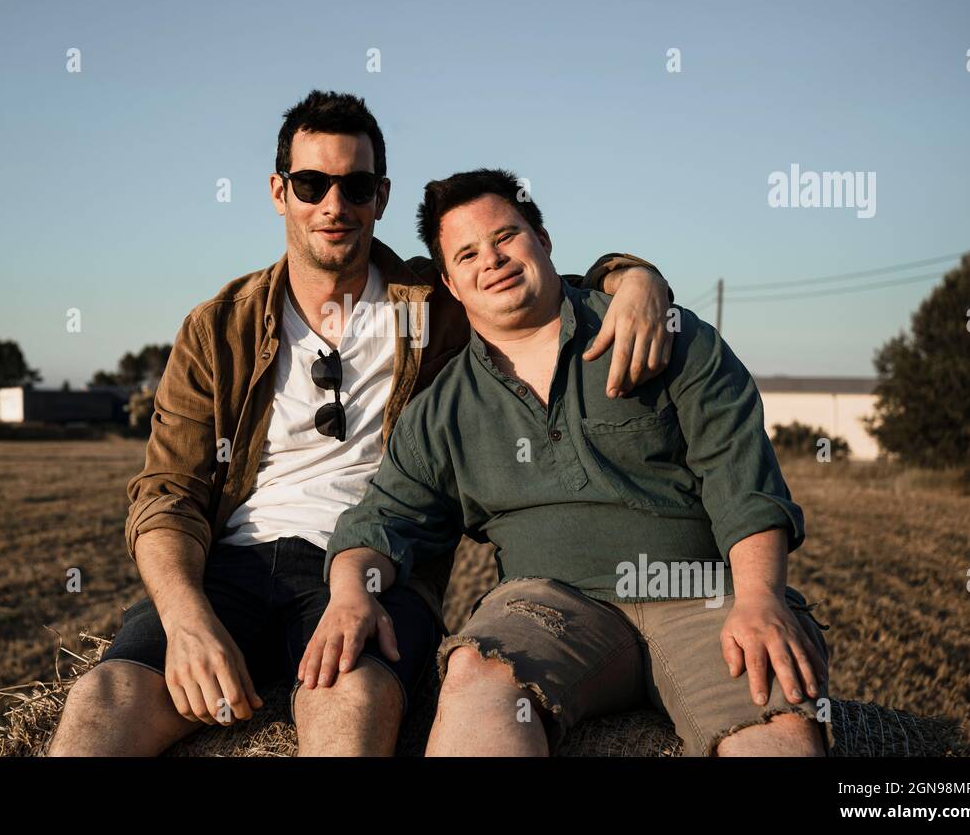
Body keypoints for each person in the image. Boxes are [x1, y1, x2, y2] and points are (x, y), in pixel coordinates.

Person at [48, 94, 675, 756]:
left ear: (380, 196)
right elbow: (166, 494)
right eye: (312, 183)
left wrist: (635, 276)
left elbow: (549, 288)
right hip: (228, 567)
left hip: (372, 567)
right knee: (103, 699)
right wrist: (186, 621)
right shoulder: (218, 327)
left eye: (355, 186)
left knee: (348, 699)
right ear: (278, 191)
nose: (333, 205)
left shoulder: (439, 305)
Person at [315, 167, 830, 756]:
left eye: (506, 237)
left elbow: (743, 481)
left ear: (544, 241)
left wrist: (761, 597)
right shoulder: (443, 409)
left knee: (776, 725)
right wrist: (351, 591)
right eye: (467, 254)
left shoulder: (665, 335)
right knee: (476, 677)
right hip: (546, 611)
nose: (493, 259)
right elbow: (382, 519)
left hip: (706, 595)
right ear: (452, 285)